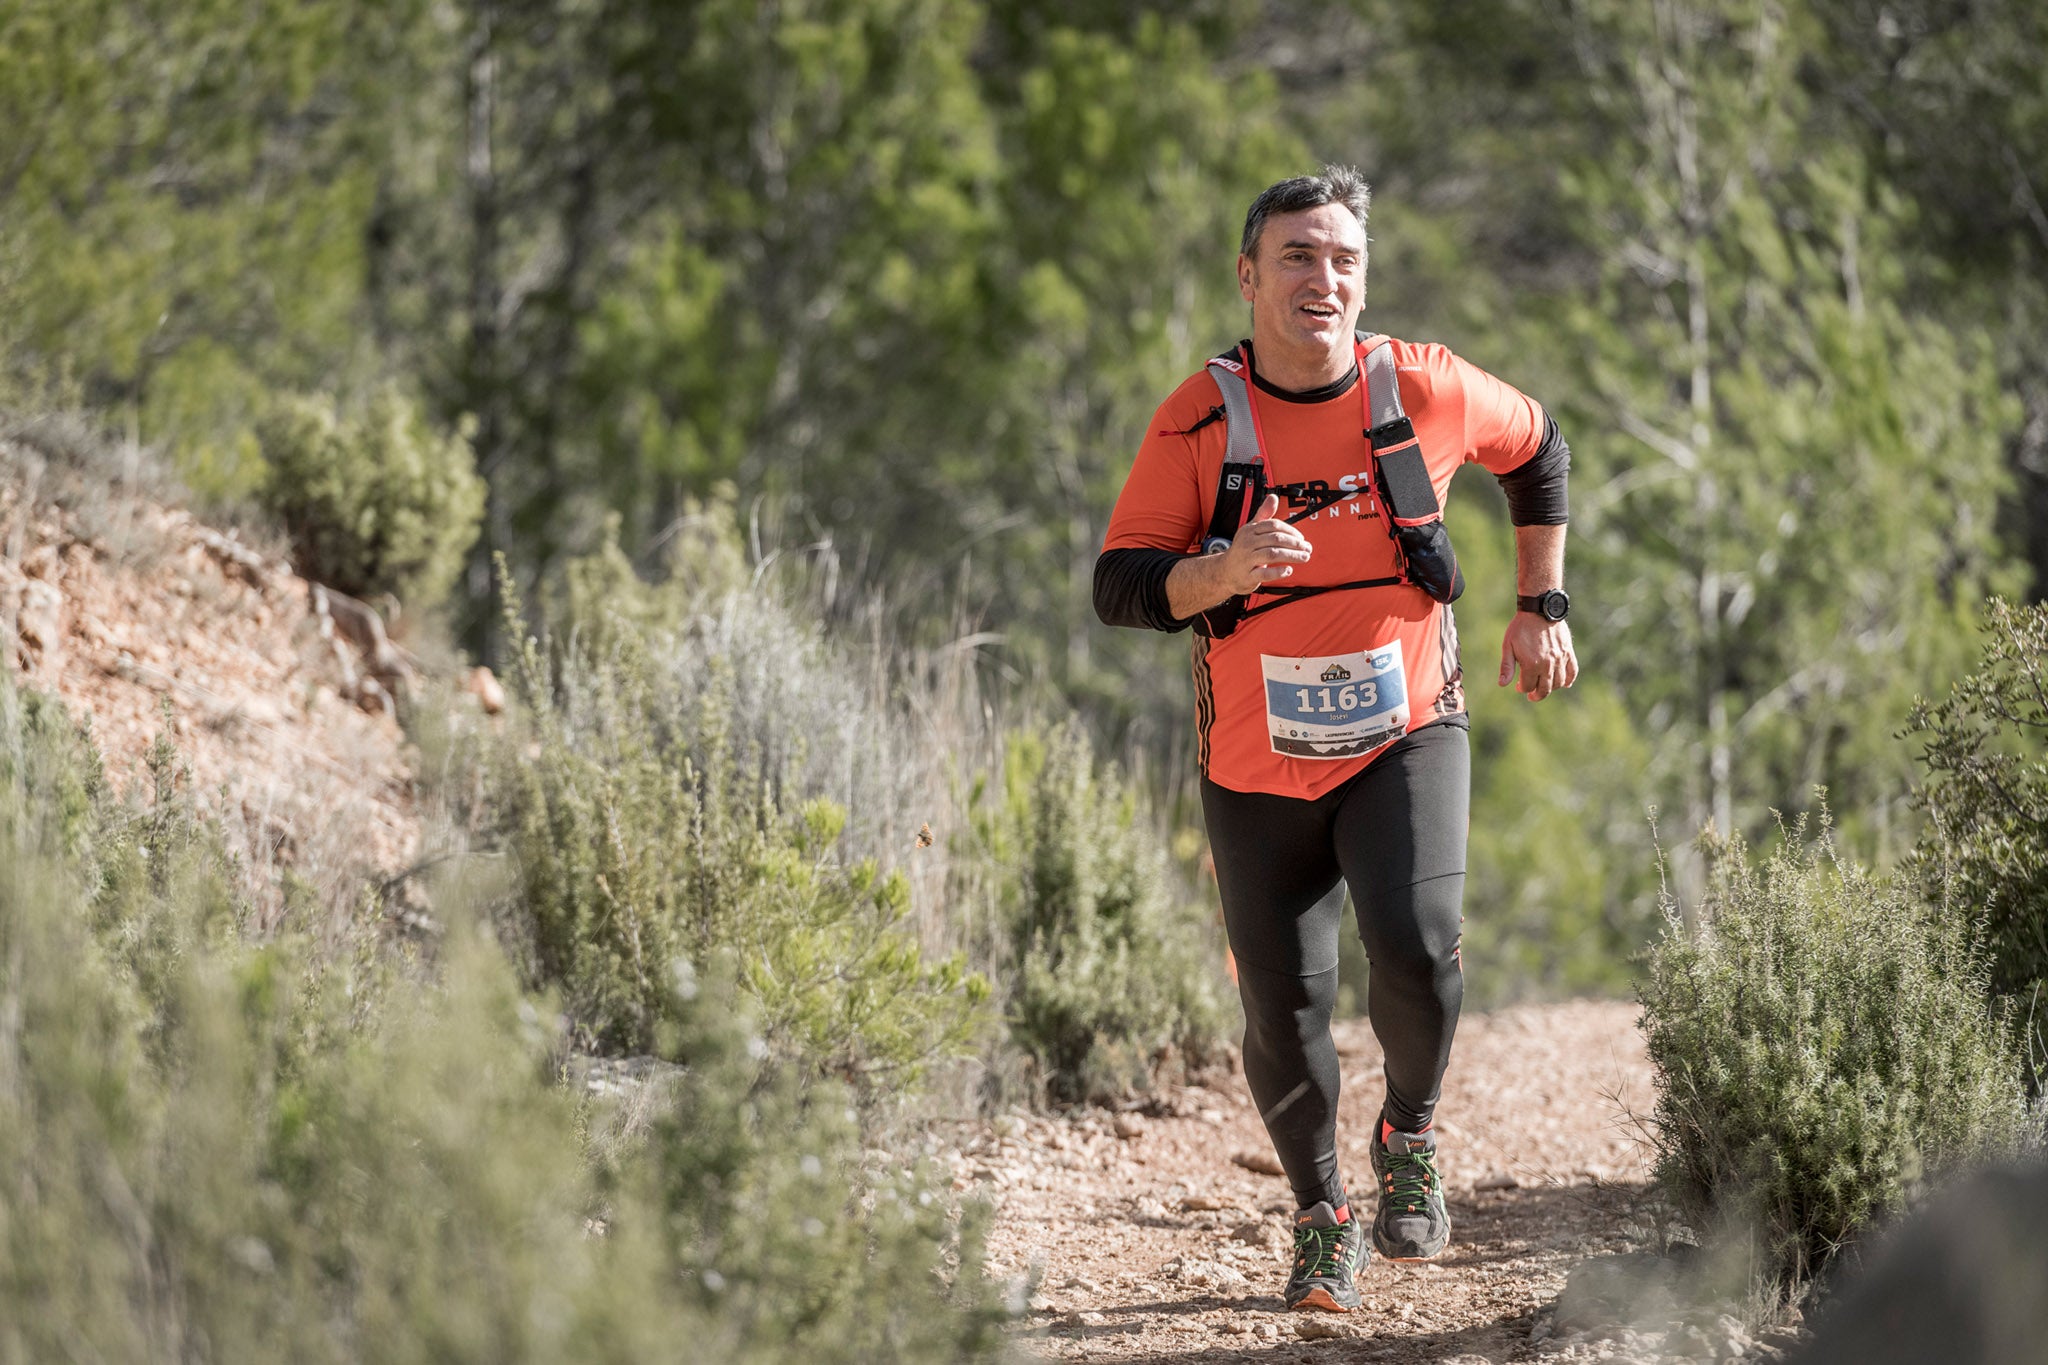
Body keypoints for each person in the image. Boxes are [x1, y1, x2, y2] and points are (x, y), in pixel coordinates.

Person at [1093, 166, 1578, 1313]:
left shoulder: (1422, 386)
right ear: (1248, 276)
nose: (1323, 278)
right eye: (1298, 257)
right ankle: (1319, 1218)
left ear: (1364, 278)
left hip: (1406, 729)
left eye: (1343, 259)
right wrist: (1220, 570)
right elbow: (1118, 584)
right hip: (1253, 766)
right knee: (1285, 1007)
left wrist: (1538, 606)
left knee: (1414, 947)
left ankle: (1406, 1133)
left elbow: (1540, 449)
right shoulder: (1197, 419)